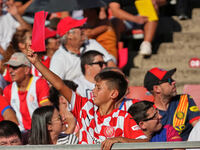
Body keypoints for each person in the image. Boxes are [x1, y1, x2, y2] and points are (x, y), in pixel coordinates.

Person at [22, 47, 147, 147]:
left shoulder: (122, 117)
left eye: (98, 88)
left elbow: (145, 143)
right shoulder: (85, 107)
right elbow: (59, 85)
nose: (93, 91)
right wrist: (36, 63)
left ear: (113, 94)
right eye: (94, 86)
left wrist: (120, 140)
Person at [50, 16, 116, 81]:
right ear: (69, 35)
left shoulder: (92, 43)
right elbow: (54, 84)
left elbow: (110, 64)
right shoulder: (59, 58)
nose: (84, 29)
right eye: (80, 27)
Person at [143, 67, 200, 140]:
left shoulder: (184, 100)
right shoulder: (148, 112)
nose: (174, 82)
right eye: (169, 80)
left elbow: (198, 126)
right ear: (157, 88)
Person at [3, 52, 51, 131]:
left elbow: (46, 112)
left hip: (40, 130)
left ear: (26, 70)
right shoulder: (8, 90)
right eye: (9, 67)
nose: (10, 71)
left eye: (15, 67)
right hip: (20, 133)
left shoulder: (40, 84)